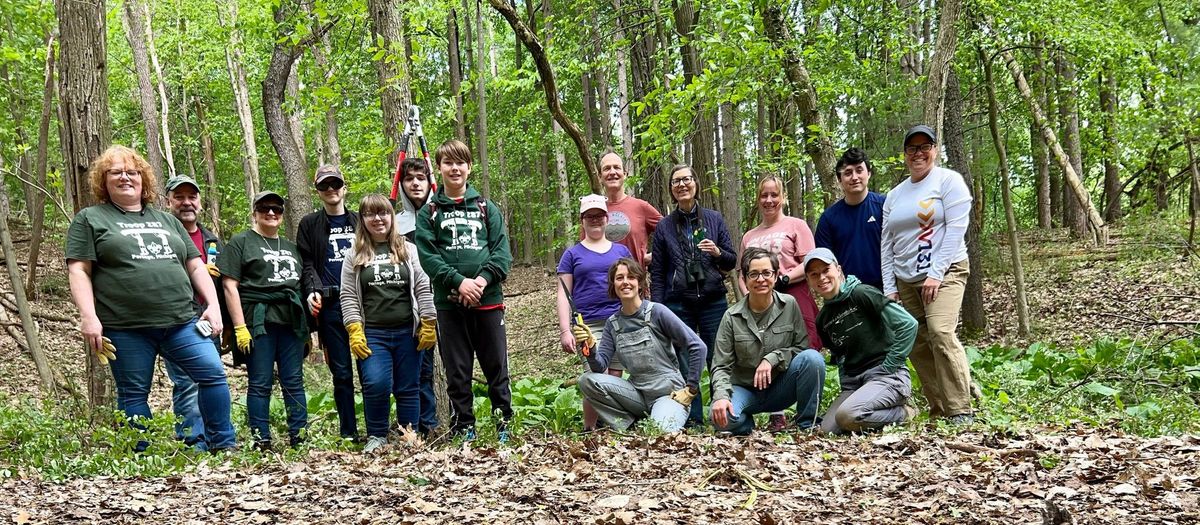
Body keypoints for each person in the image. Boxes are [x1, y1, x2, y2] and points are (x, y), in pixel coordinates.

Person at [65, 145, 235, 452]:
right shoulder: (90, 219)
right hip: (125, 326)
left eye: (132, 172)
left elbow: (195, 264)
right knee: (133, 393)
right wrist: (88, 317)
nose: (125, 177)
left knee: (212, 375)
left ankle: (223, 445)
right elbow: (79, 270)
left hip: (182, 322)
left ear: (144, 180)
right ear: (103, 181)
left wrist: (212, 305)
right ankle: (142, 457)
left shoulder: (167, 221)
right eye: (115, 172)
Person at [415, 139, 514, 442]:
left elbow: (502, 253)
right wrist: (458, 282)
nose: (455, 168)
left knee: (496, 366)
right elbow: (429, 257)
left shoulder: (487, 207)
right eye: (448, 162)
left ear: (469, 167)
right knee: (457, 371)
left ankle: (504, 425)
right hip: (449, 305)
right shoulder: (429, 212)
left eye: (460, 162)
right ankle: (464, 427)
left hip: (489, 302)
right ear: (440, 168)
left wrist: (480, 282)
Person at [881, 124, 974, 424]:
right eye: (912, 148)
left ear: (935, 150)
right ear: (905, 154)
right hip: (905, 279)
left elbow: (957, 228)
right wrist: (889, 287)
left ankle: (960, 408)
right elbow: (887, 243)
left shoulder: (949, 181)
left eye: (925, 147)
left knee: (940, 332)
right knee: (917, 341)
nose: (918, 153)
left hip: (946, 272)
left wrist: (936, 273)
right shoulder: (895, 195)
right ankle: (939, 406)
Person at [340, 195, 437, 453]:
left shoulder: (408, 249)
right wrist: (354, 328)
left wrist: (428, 321)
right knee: (376, 383)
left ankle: (409, 435)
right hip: (373, 333)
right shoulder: (354, 254)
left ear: (391, 216)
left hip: (408, 330)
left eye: (383, 213)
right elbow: (348, 294)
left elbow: (423, 287)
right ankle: (377, 435)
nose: (378, 219)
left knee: (409, 386)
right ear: (363, 220)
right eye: (370, 214)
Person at [649, 164, 737, 426]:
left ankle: (724, 413)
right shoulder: (664, 227)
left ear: (695, 184)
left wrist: (717, 253)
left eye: (687, 179)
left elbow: (731, 261)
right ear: (671, 190)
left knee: (717, 357)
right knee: (687, 359)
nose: (682, 185)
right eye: (676, 182)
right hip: (680, 303)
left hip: (712, 299)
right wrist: (657, 308)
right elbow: (658, 271)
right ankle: (693, 417)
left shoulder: (714, 218)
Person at [221, 191, 309, 449]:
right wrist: (239, 327)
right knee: (260, 380)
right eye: (264, 208)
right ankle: (262, 439)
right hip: (258, 321)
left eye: (277, 209)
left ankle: (299, 437)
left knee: (293, 379)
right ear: (255, 213)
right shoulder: (241, 242)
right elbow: (229, 285)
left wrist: (308, 330)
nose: (271, 213)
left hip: (291, 321)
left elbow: (301, 288)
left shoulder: (292, 247)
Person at [577, 258, 705, 432]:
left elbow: (698, 346)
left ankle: (655, 421)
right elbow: (599, 368)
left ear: (639, 282)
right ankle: (629, 426)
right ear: (613, 285)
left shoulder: (657, 312)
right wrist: (590, 348)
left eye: (631, 277)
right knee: (587, 380)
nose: (625, 282)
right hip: (636, 394)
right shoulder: (612, 324)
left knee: (660, 431)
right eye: (619, 278)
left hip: (668, 394)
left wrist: (691, 389)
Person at [738, 175, 823, 432]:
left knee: (804, 349)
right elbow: (743, 273)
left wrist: (783, 278)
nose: (769, 200)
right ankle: (777, 413)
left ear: (783, 197)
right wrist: (748, 297)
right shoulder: (749, 236)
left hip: (794, 294)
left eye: (774, 195)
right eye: (764, 195)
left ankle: (808, 414)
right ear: (758, 199)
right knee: (765, 350)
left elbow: (810, 261)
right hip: (759, 302)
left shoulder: (796, 225)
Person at [710, 248, 826, 435]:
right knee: (720, 419)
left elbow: (801, 348)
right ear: (745, 279)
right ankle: (745, 423)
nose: (761, 279)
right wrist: (721, 397)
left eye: (766, 273)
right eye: (754, 274)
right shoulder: (731, 316)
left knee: (813, 359)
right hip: (745, 390)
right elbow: (720, 365)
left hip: (781, 387)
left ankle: (807, 423)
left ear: (776, 275)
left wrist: (773, 359)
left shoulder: (789, 304)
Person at [804, 248, 917, 434]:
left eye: (826, 270)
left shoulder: (862, 294)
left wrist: (891, 365)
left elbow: (908, 325)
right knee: (827, 431)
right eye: (814, 274)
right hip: (856, 384)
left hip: (887, 376)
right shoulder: (822, 319)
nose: (821, 278)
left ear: (838, 270)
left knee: (848, 416)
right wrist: (847, 386)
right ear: (808, 281)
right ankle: (866, 407)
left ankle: (904, 413)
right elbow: (840, 356)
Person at [557, 195, 633, 431]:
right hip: (587, 325)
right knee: (593, 375)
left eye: (599, 216)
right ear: (582, 221)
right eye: (590, 217)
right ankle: (589, 428)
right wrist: (565, 330)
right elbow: (563, 293)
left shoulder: (620, 251)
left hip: (619, 321)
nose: (595, 220)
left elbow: (634, 284)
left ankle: (611, 425)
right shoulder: (572, 255)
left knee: (614, 375)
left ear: (606, 218)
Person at [162, 174, 228, 449]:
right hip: (177, 320)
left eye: (192, 197)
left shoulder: (212, 241)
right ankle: (193, 442)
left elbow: (224, 284)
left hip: (208, 319)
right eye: (179, 197)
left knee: (212, 379)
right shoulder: (163, 235)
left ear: (200, 201)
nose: (187, 203)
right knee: (186, 383)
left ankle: (218, 439)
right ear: (168, 201)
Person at [296, 165, 361, 441]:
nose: (331, 190)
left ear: (344, 187)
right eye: (325, 186)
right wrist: (312, 290)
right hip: (330, 306)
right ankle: (349, 433)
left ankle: (378, 429)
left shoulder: (361, 220)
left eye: (335, 184)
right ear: (318, 191)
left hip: (363, 304)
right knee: (342, 373)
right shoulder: (309, 225)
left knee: (371, 371)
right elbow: (307, 264)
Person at [394, 157, 439, 435]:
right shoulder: (395, 224)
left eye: (420, 178)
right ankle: (420, 426)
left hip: (447, 299)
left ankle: (457, 422)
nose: (415, 183)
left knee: (453, 366)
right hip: (412, 306)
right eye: (409, 179)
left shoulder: (441, 214)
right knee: (419, 369)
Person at [815, 147, 886, 291]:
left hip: (887, 290)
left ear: (869, 173)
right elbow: (824, 263)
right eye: (848, 173)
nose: (854, 177)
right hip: (847, 293)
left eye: (859, 170)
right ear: (839, 179)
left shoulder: (885, 206)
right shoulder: (828, 219)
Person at [597, 151, 662, 266]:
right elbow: (585, 250)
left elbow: (670, 232)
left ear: (625, 174)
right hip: (601, 282)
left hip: (634, 281)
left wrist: (654, 255)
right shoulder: (594, 211)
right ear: (600, 177)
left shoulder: (641, 207)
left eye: (617, 167)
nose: (612, 172)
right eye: (607, 168)